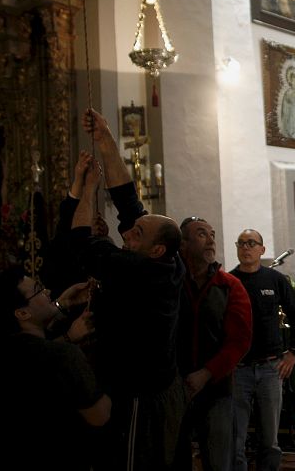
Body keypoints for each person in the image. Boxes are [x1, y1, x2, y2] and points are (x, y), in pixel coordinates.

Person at [73, 109, 186, 470]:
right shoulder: (164, 260)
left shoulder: (139, 269)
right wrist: (106, 139)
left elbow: (81, 242)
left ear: (155, 250)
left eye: (137, 233)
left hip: (142, 394)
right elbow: (127, 200)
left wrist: (88, 189)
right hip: (145, 385)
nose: (127, 233)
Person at [0, 266, 107, 470]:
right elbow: (100, 416)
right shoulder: (62, 356)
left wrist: (61, 305)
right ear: (22, 312)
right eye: (39, 289)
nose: (47, 292)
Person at [174, 217, 252, 471]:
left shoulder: (230, 286)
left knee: (218, 460)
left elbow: (240, 340)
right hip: (174, 387)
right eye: (201, 234)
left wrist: (206, 373)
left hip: (216, 388)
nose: (211, 240)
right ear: (183, 244)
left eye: (213, 234)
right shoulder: (171, 284)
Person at [230, 229, 295, 471]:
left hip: (271, 369)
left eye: (251, 243)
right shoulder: (229, 282)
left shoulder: (275, 279)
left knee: (270, 440)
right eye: (241, 243)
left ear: (262, 249)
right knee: (236, 439)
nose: (246, 247)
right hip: (238, 371)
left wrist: (293, 351)